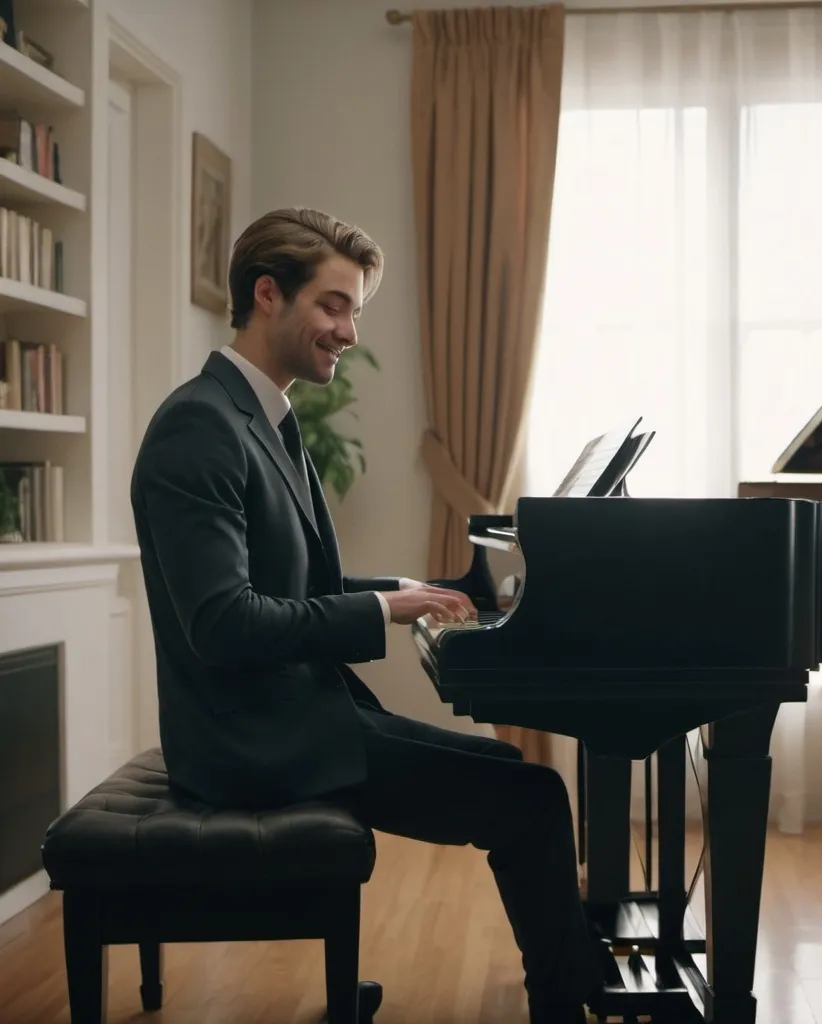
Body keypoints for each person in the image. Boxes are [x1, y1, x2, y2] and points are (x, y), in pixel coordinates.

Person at [129, 208, 605, 1024]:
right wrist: (384, 606)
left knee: (527, 789)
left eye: (354, 311)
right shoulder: (197, 428)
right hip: (252, 745)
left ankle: (580, 983)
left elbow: (297, 580)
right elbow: (226, 624)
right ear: (268, 294)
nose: (349, 331)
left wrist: (409, 588)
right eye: (335, 305)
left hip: (292, 717)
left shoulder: (260, 420)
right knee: (531, 799)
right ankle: (571, 1003)